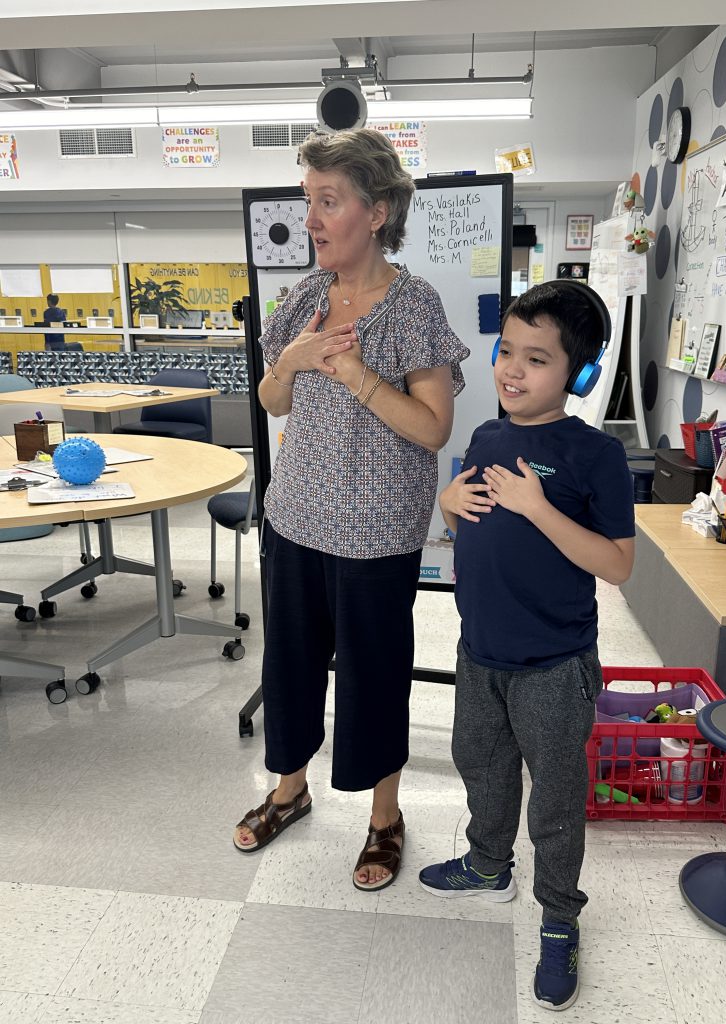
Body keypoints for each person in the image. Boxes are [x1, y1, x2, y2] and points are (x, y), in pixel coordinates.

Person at [233, 128, 469, 892]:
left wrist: (359, 373)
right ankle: (289, 789)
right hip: (297, 515)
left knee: (373, 674)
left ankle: (385, 816)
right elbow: (272, 399)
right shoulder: (303, 296)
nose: (312, 219)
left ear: (378, 210)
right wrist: (296, 363)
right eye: (309, 201)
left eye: (328, 201)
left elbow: (434, 428)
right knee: (292, 663)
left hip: (376, 532)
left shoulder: (414, 306)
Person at [418, 281, 635, 1010]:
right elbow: (468, 527)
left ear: (576, 375)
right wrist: (447, 505)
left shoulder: (594, 455)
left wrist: (540, 509)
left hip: (553, 666)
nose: (511, 369)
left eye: (536, 359)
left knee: (556, 803)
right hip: (480, 653)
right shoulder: (485, 436)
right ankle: (487, 867)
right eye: (507, 350)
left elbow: (617, 564)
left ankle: (559, 917)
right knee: (479, 765)